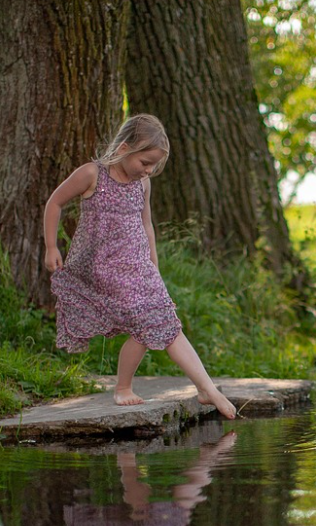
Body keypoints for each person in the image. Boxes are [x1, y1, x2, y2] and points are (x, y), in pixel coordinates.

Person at [43, 114, 236, 418]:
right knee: (146, 318)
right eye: (145, 162)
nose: (148, 170)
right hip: (104, 266)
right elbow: (54, 202)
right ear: (124, 148)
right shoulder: (93, 174)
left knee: (165, 321)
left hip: (138, 267)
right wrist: (52, 246)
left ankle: (205, 388)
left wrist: (154, 267)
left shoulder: (142, 184)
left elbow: (147, 226)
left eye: (153, 166)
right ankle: (125, 388)